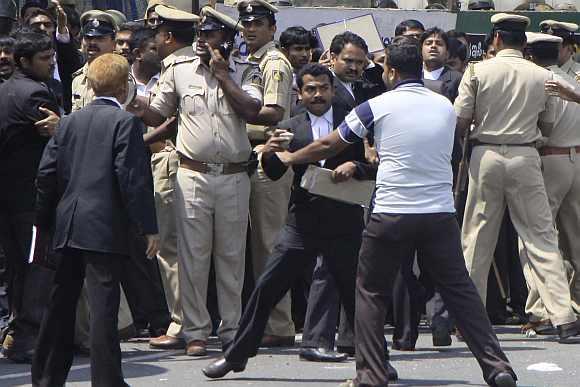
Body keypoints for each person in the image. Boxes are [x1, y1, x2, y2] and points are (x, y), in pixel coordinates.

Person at [227, 35, 517, 387]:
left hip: (392, 214)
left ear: (391, 71)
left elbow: (328, 143)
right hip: (439, 214)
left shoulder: (376, 106)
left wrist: (288, 157)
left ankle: (371, 374)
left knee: (369, 293)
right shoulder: (445, 105)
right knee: (461, 291)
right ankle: (497, 367)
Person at [201, 62, 396, 380]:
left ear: (332, 90)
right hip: (301, 223)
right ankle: (235, 356)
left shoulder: (353, 122)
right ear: (300, 94)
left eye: (323, 88)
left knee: (358, 297)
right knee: (266, 288)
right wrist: (270, 152)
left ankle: (378, 361)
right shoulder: (291, 126)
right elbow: (277, 170)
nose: (317, 94)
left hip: (344, 223)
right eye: (310, 89)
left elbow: (377, 164)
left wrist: (356, 168)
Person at [130, 5, 263, 357]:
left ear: (229, 39)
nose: (203, 40)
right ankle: (196, 332)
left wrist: (223, 76)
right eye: (201, 34)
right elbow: (158, 112)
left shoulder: (248, 71)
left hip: (234, 176)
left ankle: (232, 329)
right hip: (191, 173)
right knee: (193, 256)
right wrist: (130, 99)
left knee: (232, 257)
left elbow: (252, 110)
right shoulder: (178, 68)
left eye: (212, 34)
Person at [31, 53, 158, 387]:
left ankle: (46, 377)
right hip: (103, 227)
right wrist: (147, 227)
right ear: (123, 87)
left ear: (89, 83)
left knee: (61, 303)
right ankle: (107, 381)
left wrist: (44, 222)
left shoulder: (69, 121)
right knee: (103, 309)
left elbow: (46, 174)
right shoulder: (125, 123)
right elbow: (132, 179)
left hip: (68, 223)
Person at [455, 13, 580, 343]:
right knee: (541, 238)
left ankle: (468, 319)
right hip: (526, 153)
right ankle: (564, 317)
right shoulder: (542, 75)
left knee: (477, 239)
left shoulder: (477, 70)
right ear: (525, 44)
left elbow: (461, 119)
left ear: (495, 39)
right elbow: (549, 127)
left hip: (486, 154)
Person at [300, 31, 386, 359]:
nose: (353, 67)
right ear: (331, 58)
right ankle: (317, 339)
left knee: (353, 264)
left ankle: (350, 338)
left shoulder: (363, 89)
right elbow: (319, 140)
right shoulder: (325, 94)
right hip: (330, 185)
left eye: (359, 62)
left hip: (354, 184)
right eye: (347, 60)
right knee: (327, 265)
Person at [237, 0, 297, 348]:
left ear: (272, 28)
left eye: (258, 23)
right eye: (246, 24)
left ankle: (279, 322)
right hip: (253, 155)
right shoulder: (254, 60)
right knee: (259, 245)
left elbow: (272, 114)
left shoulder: (273, 62)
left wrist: (233, 113)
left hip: (268, 155)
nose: (250, 29)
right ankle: (267, 319)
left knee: (270, 243)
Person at [141, 3, 200, 351]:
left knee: (173, 250)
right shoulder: (182, 64)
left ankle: (184, 324)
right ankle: (189, 322)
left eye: (157, 33)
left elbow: (164, 117)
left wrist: (131, 102)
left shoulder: (180, 66)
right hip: (183, 163)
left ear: (166, 36)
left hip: (175, 161)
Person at [0, 30, 60, 364]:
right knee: (38, 268)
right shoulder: (35, 93)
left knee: (18, 269)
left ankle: (14, 331)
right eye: (45, 59)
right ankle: (26, 335)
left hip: (9, 199)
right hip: (31, 201)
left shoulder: (5, 90)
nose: (51, 64)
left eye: (52, 57)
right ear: (24, 61)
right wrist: (64, 124)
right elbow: (58, 140)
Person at [522, 32, 580, 333]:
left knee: (537, 238)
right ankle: (575, 305)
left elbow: (544, 126)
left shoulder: (540, 81)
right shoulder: (573, 80)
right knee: (575, 238)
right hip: (575, 160)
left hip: (546, 158)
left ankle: (542, 310)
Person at [280, 26, 316, 107]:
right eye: (298, 49)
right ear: (284, 51)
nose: (304, 54)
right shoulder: (281, 77)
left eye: (307, 49)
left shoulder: (314, 76)